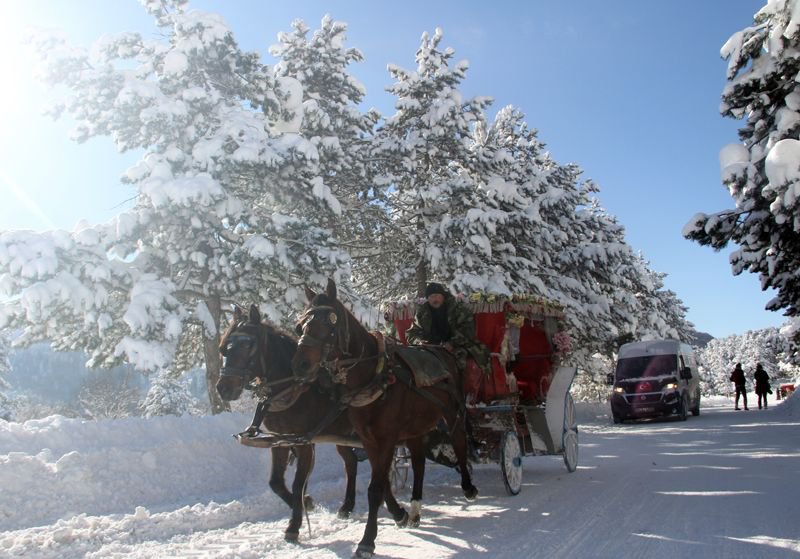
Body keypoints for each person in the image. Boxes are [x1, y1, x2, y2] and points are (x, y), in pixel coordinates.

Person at [406, 282, 490, 371]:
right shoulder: (422, 313)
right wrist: (419, 342)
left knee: (463, 366)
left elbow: (467, 331)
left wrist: (451, 343)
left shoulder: (458, 309)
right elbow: (412, 333)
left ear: (443, 296)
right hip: (430, 348)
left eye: (437, 295)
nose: (434, 299)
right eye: (431, 297)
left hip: (459, 346)